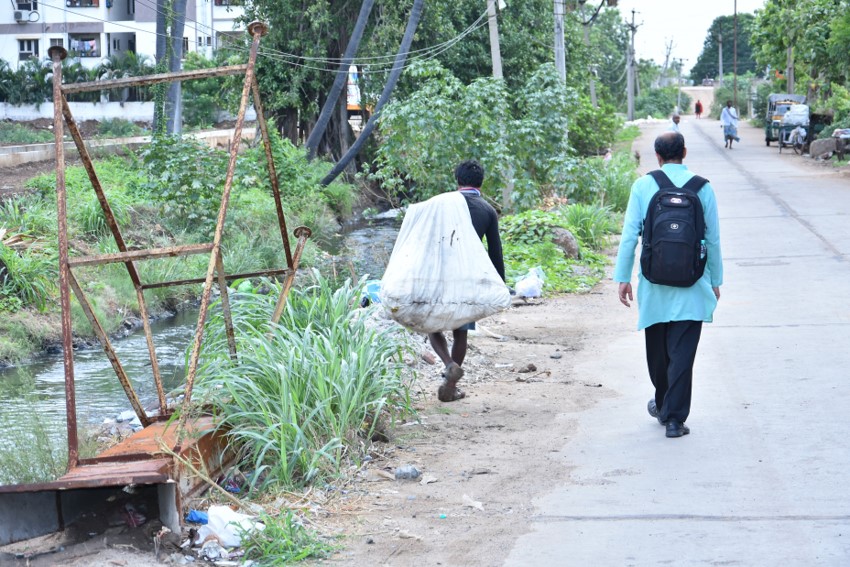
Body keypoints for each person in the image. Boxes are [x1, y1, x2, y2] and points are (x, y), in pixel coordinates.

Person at [613, 132, 723, 438]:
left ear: (657, 156)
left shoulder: (644, 185)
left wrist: (623, 278)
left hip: (654, 285)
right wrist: (715, 279)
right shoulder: (703, 188)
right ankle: (674, 418)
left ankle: (663, 402)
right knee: (683, 355)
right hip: (692, 285)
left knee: (658, 353)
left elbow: (629, 236)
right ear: (684, 152)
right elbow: (711, 239)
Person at [429, 159, 505, 402]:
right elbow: (495, 252)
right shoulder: (487, 210)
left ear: (457, 180)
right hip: (468, 277)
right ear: (481, 183)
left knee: (433, 327)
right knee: (461, 333)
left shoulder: (442, 206)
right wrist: (500, 285)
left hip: (441, 274)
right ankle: (450, 385)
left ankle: (448, 363)